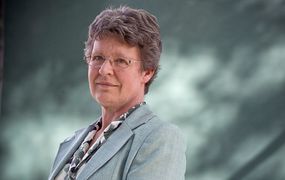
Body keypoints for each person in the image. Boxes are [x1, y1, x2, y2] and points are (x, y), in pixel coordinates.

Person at [48, 5, 186, 180]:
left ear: (147, 72)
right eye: (97, 57)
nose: (104, 70)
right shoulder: (69, 145)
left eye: (121, 61)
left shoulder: (160, 139)